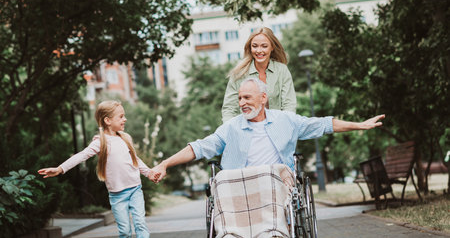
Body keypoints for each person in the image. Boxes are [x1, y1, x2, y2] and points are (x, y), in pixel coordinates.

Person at [150, 78, 385, 182]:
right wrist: (165, 163)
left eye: (247, 97)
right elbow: (200, 147)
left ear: (263, 98)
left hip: (276, 181)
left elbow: (323, 124)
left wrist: (360, 125)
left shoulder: (286, 121)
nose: (242, 102)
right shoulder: (231, 127)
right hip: (238, 183)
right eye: (239, 98)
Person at [38, 100, 156, 238]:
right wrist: (60, 168)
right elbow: (82, 155)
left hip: (135, 188)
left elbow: (136, 160)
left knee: (140, 224)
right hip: (117, 195)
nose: (125, 119)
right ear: (107, 120)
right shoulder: (100, 142)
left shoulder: (125, 138)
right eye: (121, 116)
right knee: (124, 231)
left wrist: (149, 172)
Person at [221, 27, 296, 122]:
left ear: (272, 47)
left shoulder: (282, 70)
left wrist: (285, 127)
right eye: (255, 46)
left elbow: (289, 105)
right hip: (248, 131)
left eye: (264, 46)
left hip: (278, 127)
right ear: (250, 47)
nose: (259, 50)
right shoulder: (239, 74)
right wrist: (232, 132)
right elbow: (229, 109)